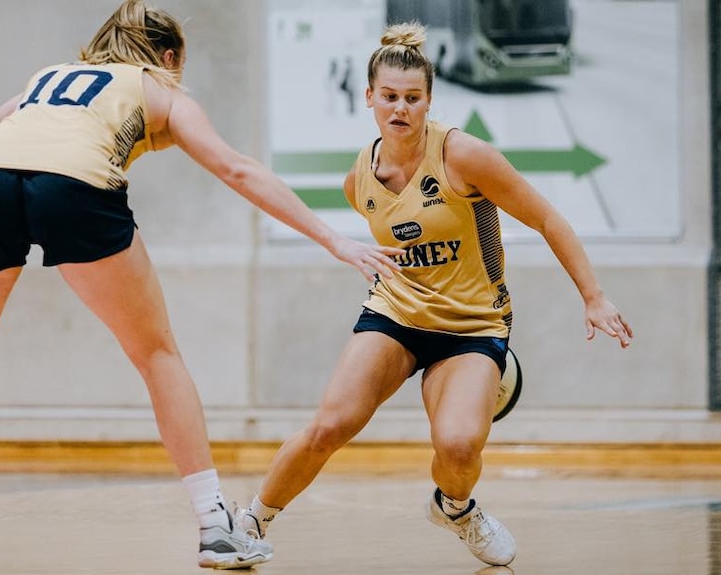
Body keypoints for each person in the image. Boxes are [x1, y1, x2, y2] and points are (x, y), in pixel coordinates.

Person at [0, 3, 405, 574]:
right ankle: (216, 528)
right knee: (156, 353)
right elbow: (237, 169)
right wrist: (332, 240)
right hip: (75, 187)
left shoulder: (44, 81)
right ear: (168, 58)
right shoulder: (160, 89)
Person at [237, 22, 633, 568]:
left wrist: (594, 295)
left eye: (413, 98)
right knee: (330, 424)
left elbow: (546, 217)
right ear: (369, 98)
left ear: (429, 100)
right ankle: (249, 523)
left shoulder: (464, 156)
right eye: (389, 97)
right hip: (395, 315)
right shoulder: (360, 179)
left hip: (472, 326)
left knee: (458, 445)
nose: (400, 108)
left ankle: (455, 508)